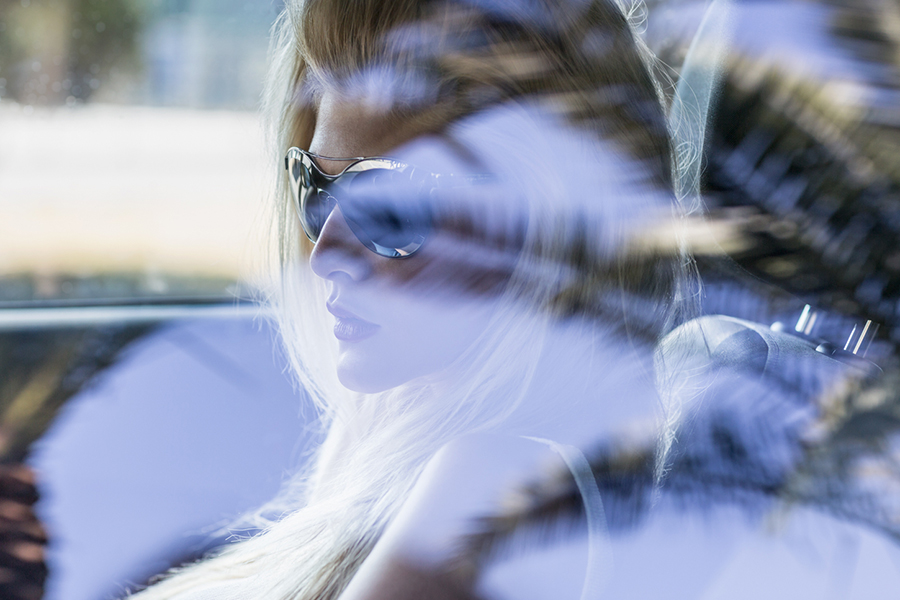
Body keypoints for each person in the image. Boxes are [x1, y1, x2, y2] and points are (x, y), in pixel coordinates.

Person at [131, 0, 697, 598]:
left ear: (542, 231)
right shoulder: (389, 418)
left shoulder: (494, 483)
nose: (324, 255)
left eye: (390, 210)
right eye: (316, 187)